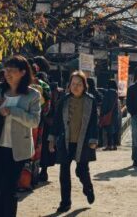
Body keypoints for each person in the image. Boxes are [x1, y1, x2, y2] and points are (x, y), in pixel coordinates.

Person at [0, 55, 41, 217]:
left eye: (12, 70)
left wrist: (13, 112)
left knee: (8, 191)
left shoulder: (33, 95)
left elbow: (34, 122)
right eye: (6, 70)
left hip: (17, 150)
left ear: (22, 72)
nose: (8, 74)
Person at [49, 71, 98, 213]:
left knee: (81, 170)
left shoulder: (90, 101)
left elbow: (94, 122)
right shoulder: (63, 100)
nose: (76, 87)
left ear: (84, 86)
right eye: (73, 84)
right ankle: (65, 202)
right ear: (69, 85)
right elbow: (57, 122)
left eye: (79, 84)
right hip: (65, 141)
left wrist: (94, 140)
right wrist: (51, 140)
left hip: (83, 142)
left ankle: (88, 188)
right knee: (64, 172)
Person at [99, 79, 121, 151]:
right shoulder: (116, 93)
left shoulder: (108, 93)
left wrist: (102, 113)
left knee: (109, 131)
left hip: (108, 114)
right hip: (115, 115)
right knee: (114, 131)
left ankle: (109, 145)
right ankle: (114, 145)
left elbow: (105, 104)